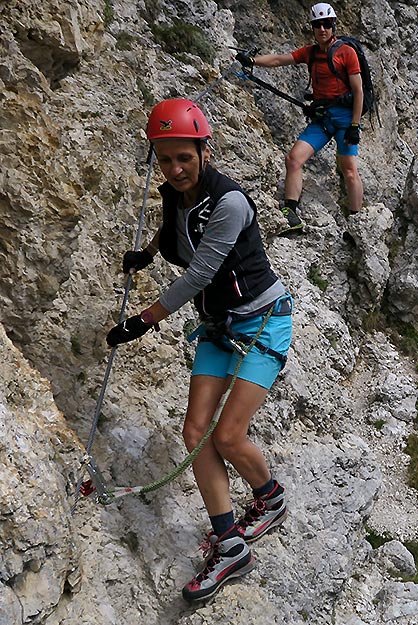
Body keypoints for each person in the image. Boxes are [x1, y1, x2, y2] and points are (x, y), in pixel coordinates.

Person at [106, 98, 293, 602]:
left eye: (183, 157)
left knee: (229, 436)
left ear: (203, 151)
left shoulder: (229, 202)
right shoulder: (174, 192)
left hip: (264, 323)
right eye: (164, 159)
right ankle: (229, 542)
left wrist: (142, 321)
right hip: (218, 326)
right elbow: (173, 231)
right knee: (194, 431)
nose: (175, 168)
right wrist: (144, 256)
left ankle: (270, 498)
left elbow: (201, 272)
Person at [237, 2, 364, 230]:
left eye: (326, 24)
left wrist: (355, 125)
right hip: (323, 118)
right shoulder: (310, 53)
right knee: (294, 159)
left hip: (345, 118)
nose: (322, 29)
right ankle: (291, 214)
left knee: (349, 169)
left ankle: (357, 224)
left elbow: (358, 91)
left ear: (333, 25)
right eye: (318, 25)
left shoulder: (347, 53)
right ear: (313, 28)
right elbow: (279, 60)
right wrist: (252, 61)